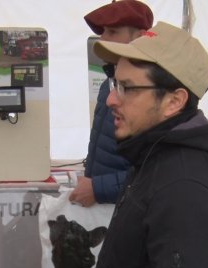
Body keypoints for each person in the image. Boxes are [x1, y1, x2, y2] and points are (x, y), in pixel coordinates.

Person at [92, 21, 208, 268]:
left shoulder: (186, 190)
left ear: (174, 101)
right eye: (113, 83)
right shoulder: (155, 153)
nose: (111, 100)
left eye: (127, 88)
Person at [69, 0, 153, 207]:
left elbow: (155, 171)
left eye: (113, 32)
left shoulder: (152, 93)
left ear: (141, 36)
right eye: (103, 31)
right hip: (107, 207)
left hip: (129, 208)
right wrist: (90, 179)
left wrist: (98, 188)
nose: (103, 39)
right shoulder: (108, 82)